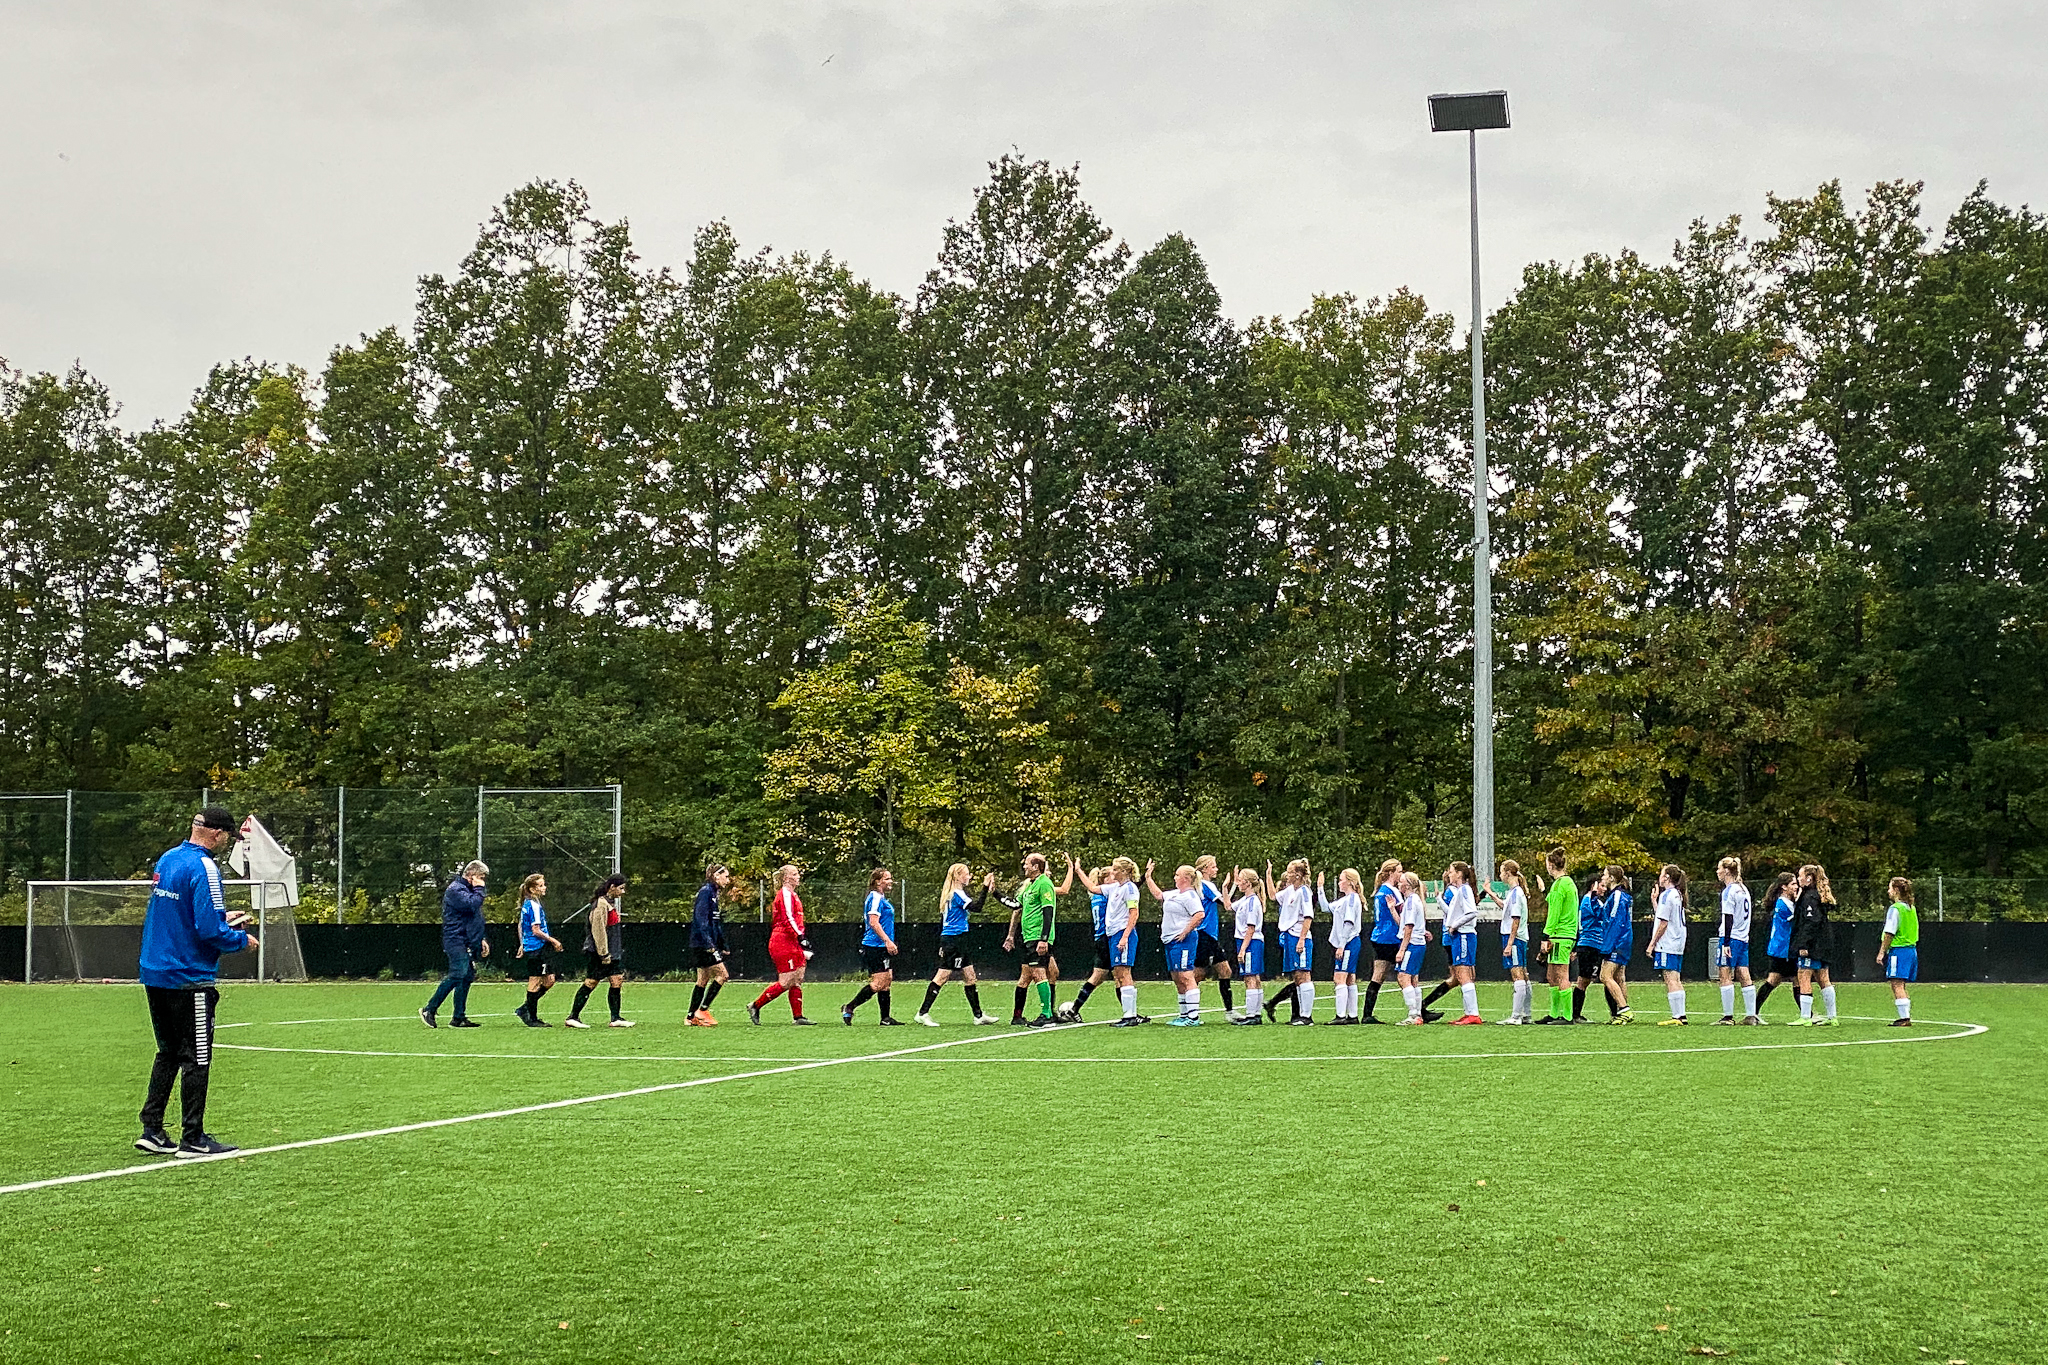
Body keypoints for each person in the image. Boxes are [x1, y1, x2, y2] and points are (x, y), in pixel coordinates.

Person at [135, 806, 256, 1158]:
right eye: (226, 838)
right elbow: (207, 930)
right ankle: (193, 1137)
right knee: (197, 1058)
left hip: (155, 971)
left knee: (168, 1052)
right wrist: (239, 939)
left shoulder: (168, 859)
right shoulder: (205, 867)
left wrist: (222, 918)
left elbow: (182, 914)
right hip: (188, 977)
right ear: (217, 834)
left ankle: (152, 1128)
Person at [918, 864, 999, 1026]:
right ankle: (922, 1013)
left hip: (959, 938)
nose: (969, 877)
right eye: (967, 874)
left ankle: (978, 1015)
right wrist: (984, 887)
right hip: (953, 939)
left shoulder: (955, 894)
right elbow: (977, 908)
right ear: (957, 876)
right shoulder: (956, 894)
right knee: (943, 976)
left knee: (970, 976)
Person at [422, 860, 490, 1029]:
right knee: (458, 973)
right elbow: (471, 905)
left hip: (466, 938)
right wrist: (479, 889)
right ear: (472, 875)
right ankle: (429, 1009)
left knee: (467, 975)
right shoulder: (456, 890)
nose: (483, 881)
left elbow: (473, 917)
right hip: (455, 938)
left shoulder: (468, 890)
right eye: (481, 877)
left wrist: (480, 939)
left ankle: (458, 1017)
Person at [1002, 852, 1065, 1027]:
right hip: (1028, 937)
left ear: (1036, 866)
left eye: (1027, 864)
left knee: (1039, 973)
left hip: (1038, 937)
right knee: (1030, 974)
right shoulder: (1030, 886)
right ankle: (1022, 1015)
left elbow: (1048, 911)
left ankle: (1046, 1014)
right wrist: (994, 893)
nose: (1024, 866)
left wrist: (1043, 939)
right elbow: (1015, 905)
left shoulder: (1044, 883)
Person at [750, 864, 817, 1025]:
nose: (798, 876)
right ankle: (755, 1005)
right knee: (786, 980)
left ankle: (798, 1016)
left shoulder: (793, 894)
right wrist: (800, 935)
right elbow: (788, 918)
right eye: (794, 874)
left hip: (792, 940)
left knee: (798, 977)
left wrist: (800, 938)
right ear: (786, 878)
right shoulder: (785, 894)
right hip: (783, 941)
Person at [564, 875, 633, 1029]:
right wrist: (604, 953)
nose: (623, 892)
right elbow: (598, 930)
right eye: (621, 888)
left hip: (611, 952)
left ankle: (615, 1018)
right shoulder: (601, 904)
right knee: (591, 982)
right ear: (612, 887)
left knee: (617, 981)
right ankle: (573, 1017)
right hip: (599, 952)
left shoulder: (609, 903)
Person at [1148, 861, 1208, 1026]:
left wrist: (1185, 932)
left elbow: (1199, 914)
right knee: (1176, 976)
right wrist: (1148, 877)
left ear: (1186, 878)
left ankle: (1193, 1017)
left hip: (1183, 941)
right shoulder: (1175, 894)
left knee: (1186, 975)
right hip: (1170, 940)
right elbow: (1159, 895)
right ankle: (1183, 1015)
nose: (1174, 877)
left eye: (1177, 874)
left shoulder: (1190, 895)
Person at [844, 867, 903, 1025]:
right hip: (874, 946)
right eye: (887, 879)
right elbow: (873, 922)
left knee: (887, 979)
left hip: (881, 946)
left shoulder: (881, 898)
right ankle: (849, 1007)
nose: (891, 882)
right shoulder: (875, 898)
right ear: (878, 882)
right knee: (878, 983)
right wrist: (887, 941)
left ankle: (885, 1018)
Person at [1058, 858, 1112, 1023]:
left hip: (1099, 938)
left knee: (1098, 976)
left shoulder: (1095, 896)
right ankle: (1129, 1014)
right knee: (1120, 976)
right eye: (1112, 876)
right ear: (1104, 880)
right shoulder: (1105, 895)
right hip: (1106, 938)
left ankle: (1074, 1009)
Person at [1262, 859, 1315, 1025]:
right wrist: (1268, 875)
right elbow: (1272, 896)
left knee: (1304, 974)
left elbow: (1308, 917)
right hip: (1290, 935)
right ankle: (1299, 1015)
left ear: (1298, 875)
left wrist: (1301, 939)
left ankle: (1307, 1017)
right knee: (1297, 976)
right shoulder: (1290, 890)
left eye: (1290, 872)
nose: (1287, 875)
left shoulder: (1304, 891)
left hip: (1299, 936)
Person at [1786, 863, 1838, 1027]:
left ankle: (1805, 1017)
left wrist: (1803, 944)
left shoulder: (1810, 896)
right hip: (1824, 943)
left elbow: (1810, 922)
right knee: (1824, 978)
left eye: (1800, 875)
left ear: (1809, 878)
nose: (1798, 878)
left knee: (1804, 975)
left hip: (1813, 945)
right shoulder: (1818, 895)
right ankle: (1832, 1017)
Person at [1433, 862, 1484, 1025]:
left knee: (1463, 974)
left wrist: (1455, 925)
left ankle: (1473, 1014)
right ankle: (1469, 1013)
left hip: (1464, 935)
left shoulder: (1465, 890)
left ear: (1460, 874)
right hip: (1460, 936)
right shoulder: (1462, 891)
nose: (1449, 874)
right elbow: (1452, 912)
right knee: (1463, 974)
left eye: (1452, 871)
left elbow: (1471, 912)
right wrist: (1439, 899)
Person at [1193, 855, 1240, 1021]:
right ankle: (1188, 1011)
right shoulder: (1206, 885)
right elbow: (1227, 904)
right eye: (1213, 867)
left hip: (1209, 935)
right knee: (1198, 974)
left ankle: (1229, 1012)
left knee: (1225, 970)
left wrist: (1232, 885)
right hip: (1204, 934)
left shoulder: (1202, 885)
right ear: (1205, 869)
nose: (1216, 869)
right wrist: (1231, 885)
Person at [1485, 859, 1531, 1024]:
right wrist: (1490, 893)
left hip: (1515, 938)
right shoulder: (1513, 892)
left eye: (1501, 871)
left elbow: (1515, 919)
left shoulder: (1516, 893)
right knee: (1523, 974)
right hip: (1517, 938)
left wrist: (1510, 943)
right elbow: (1506, 908)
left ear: (1508, 873)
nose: (1500, 875)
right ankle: (1526, 1014)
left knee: (1517, 974)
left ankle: (1516, 1016)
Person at [1102, 857, 1146, 1027]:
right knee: (1119, 974)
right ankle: (1130, 1015)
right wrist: (1076, 870)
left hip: (1122, 932)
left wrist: (1125, 936)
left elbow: (1134, 913)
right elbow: (1093, 888)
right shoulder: (1115, 887)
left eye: (1114, 869)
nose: (1111, 872)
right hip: (1114, 933)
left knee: (1124, 973)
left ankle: (1130, 1016)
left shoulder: (1130, 888)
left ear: (1124, 871)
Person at [1536, 849, 1579, 1025]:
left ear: (1551, 865)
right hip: (1564, 934)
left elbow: (1554, 912)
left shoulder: (1560, 885)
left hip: (1560, 935)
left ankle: (1567, 1016)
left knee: (1561, 975)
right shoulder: (1569, 884)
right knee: (1551, 975)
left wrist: (1546, 935)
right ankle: (1554, 1013)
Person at [687, 864, 733, 1026]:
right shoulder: (706, 893)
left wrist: (723, 944)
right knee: (723, 975)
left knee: (703, 979)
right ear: (716, 876)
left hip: (704, 942)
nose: (728, 880)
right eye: (726, 876)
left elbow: (715, 923)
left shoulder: (713, 893)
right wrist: (709, 944)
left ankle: (690, 1016)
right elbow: (701, 921)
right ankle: (703, 1010)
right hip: (703, 943)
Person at [513, 873, 561, 1028]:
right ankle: (532, 1018)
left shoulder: (532, 903)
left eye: (543, 884)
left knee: (550, 980)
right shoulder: (532, 905)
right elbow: (536, 930)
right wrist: (553, 940)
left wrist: (522, 944)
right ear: (532, 889)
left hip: (538, 947)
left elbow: (521, 926)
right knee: (534, 980)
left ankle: (525, 1008)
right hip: (537, 948)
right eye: (540, 885)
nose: (544, 887)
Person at [1317, 867, 1364, 1025]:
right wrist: (1320, 888)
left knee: (1340, 977)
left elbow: (1348, 923)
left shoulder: (1352, 899)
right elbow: (1325, 907)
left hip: (1349, 942)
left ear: (1350, 882)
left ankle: (1341, 1015)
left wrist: (1342, 945)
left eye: (1341, 880)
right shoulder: (1344, 900)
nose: (1339, 883)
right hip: (1347, 942)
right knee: (1349, 978)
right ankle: (1352, 1015)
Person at [1714, 857, 1757, 1025]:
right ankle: (1751, 1015)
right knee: (1744, 973)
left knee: (1725, 974)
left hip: (1731, 937)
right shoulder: (1743, 889)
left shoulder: (1729, 891)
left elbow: (1728, 918)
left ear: (1726, 871)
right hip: (1743, 937)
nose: (1717, 872)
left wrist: (1725, 943)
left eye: (1719, 869)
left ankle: (1727, 1016)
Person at [1752, 873, 1800, 1021]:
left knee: (1777, 980)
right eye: (1793, 884)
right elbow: (1797, 920)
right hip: (1783, 950)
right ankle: (1809, 1015)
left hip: (1783, 949)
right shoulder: (1783, 904)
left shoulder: (1789, 902)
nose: (1796, 886)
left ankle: (1753, 1012)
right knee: (1793, 980)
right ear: (1784, 887)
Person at [1361, 859, 1404, 1023]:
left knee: (1379, 975)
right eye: (1399, 871)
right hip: (1390, 937)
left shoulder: (1381, 890)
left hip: (1380, 936)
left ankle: (1367, 1014)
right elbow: (1401, 914)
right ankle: (1419, 1010)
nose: (1401, 874)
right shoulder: (1390, 891)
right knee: (1407, 974)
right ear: (1391, 873)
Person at [1647, 864, 1690, 1025]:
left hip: (1668, 942)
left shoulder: (1667, 895)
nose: (1659, 877)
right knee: (1675, 978)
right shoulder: (1676, 894)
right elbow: (1663, 915)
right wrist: (1654, 901)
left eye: (1661, 874)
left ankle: (1677, 1016)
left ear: (1666, 877)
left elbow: (1663, 923)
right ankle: (1681, 1015)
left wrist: (1652, 944)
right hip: (1678, 941)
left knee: (1670, 978)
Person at [1569, 868, 1610, 1023]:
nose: (1604, 889)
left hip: (1596, 945)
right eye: (1602, 886)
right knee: (1584, 980)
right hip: (1589, 945)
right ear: (1594, 885)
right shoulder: (1588, 900)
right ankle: (1575, 1014)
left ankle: (1615, 1013)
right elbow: (1600, 915)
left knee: (1603, 978)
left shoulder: (1595, 900)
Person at [1877, 876, 1919, 1027]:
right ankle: (1905, 1016)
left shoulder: (1895, 909)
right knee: (1901, 983)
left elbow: (1890, 932)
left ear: (1895, 890)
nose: (1888, 891)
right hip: (1911, 950)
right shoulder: (1911, 908)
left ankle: (1904, 1018)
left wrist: (1882, 951)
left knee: (1896, 983)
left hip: (1899, 950)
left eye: (1889, 888)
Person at [1229, 866, 1266, 1027]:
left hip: (1251, 941)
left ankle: (1252, 1015)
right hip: (1248, 941)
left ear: (1248, 883)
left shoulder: (1252, 902)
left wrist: (1243, 949)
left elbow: (1251, 927)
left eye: (1241, 880)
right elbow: (1228, 906)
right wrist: (1226, 887)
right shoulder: (1245, 900)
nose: (1238, 883)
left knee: (1250, 977)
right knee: (1253, 977)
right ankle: (1255, 1013)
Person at [1598, 867, 1635, 1024]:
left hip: (1618, 941)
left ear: (1612, 878)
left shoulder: (1618, 895)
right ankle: (1622, 1014)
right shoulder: (1616, 895)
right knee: (1619, 977)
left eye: (1605, 875)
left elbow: (1615, 923)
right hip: (1621, 940)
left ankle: (1624, 1008)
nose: (1603, 877)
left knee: (1605, 976)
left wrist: (1607, 946)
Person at [1393, 871, 1431, 1025]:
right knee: (1414, 979)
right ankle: (1417, 1014)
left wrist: (1402, 950)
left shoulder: (1410, 901)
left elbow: (1408, 927)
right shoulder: (1414, 900)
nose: (1398, 883)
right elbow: (1405, 923)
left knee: (1403, 977)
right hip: (1417, 943)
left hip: (1412, 945)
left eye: (1401, 881)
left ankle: (1413, 1014)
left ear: (1407, 885)